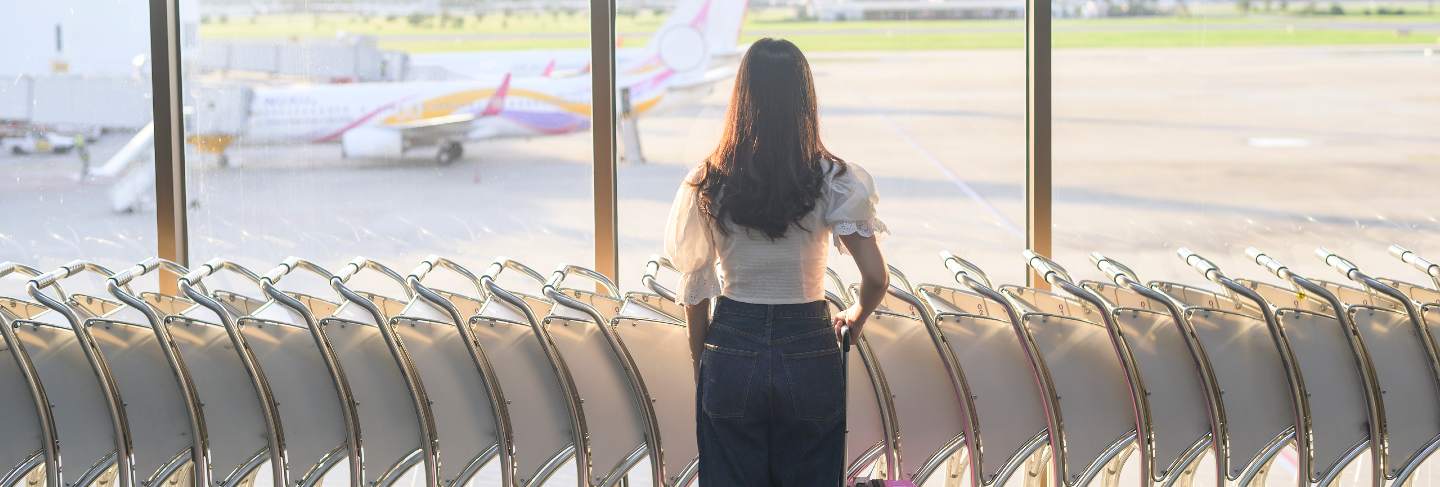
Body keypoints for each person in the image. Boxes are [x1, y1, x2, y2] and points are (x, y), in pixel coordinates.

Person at [664, 38, 889, 486]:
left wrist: (705, 363)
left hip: (731, 343)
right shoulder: (833, 179)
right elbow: (876, 279)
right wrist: (856, 319)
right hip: (808, 340)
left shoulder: (708, 180)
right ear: (805, 100)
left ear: (741, 98)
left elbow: (696, 288)